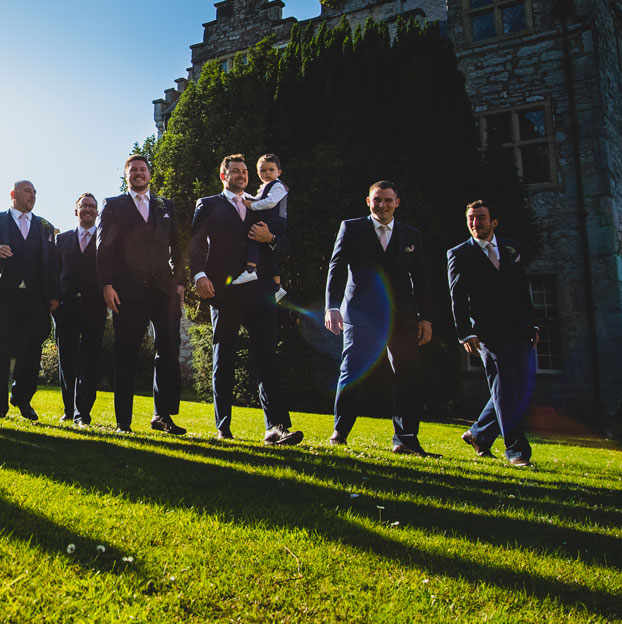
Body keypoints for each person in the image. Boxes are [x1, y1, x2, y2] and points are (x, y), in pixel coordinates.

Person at [189, 154, 301, 445]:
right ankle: (223, 426)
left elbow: (284, 245)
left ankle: (276, 428)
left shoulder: (261, 204)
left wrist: (270, 239)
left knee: (266, 357)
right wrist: (199, 275)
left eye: (244, 172)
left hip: (260, 290)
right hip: (224, 290)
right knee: (223, 357)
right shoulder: (209, 204)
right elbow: (196, 243)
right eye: (234, 171)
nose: (240, 175)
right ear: (223, 175)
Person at [323, 180, 436, 454]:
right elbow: (336, 268)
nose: (382, 205)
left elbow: (420, 278)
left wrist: (426, 318)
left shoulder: (411, 235)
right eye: (377, 200)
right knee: (352, 372)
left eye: (388, 200)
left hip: (403, 316)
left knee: (407, 376)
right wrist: (332, 307)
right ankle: (340, 431)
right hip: (360, 313)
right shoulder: (351, 228)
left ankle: (406, 439)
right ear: (368, 201)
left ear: (397, 202)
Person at [97, 154, 186, 434]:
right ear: (126, 175)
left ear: (149, 174)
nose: (138, 173)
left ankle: (163, 416)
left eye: (142, 169)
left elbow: (178, 247)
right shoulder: (113, 206)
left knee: (170, 350)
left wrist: (180, 283)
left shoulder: (165, 205)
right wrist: (107, 284)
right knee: (127, 354)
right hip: (127, 292)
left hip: (163, 292)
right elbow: (104, 248)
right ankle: (123, 420)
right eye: (133, 170)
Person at [448, 199, 539, 467]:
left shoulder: (512, 249)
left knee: (518, 388)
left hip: (519, 329)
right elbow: (457, 297)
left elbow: (523, 288)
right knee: (503, 387)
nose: (476, 223)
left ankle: (478, 434)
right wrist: (465, 332)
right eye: (471, 219)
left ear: (494, 221)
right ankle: (516, 449)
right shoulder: (459, 254)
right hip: (488, 333)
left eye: (481, 217)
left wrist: (532, 324)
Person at [0, 180, 60, 420]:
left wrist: (54, 294)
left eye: (35, 192)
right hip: (2, 295)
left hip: (34, 298)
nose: (32, 195)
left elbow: (52, 262)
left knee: (31, 352)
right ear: (13, 194)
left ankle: (23, 400)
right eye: (27, 191)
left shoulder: (45, 226)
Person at [54, 193, 107, 425]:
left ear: (97, 212)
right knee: (66, 360)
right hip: (65, 308)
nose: (88, 209)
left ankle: (82, 412)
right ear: (76, 211)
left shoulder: (105, 240)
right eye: (83, 206)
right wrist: (53, 299)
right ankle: (68, 408)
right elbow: (52, 272)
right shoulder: (61, 240)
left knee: (90, 361)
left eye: (92, 207)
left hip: (94, 307)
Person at [235, 153, 290, 303]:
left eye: (271, 170)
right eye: (263, 170)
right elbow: (259, 199)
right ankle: (278, 287)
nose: (266, 173)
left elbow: (270, 203)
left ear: (279, 172)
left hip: (276, 221)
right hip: (271, 221)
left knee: (254, 234)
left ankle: (250, 269)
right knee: (268, 254)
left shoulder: (278, 185)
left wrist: (252, 206)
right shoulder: (265, 186)